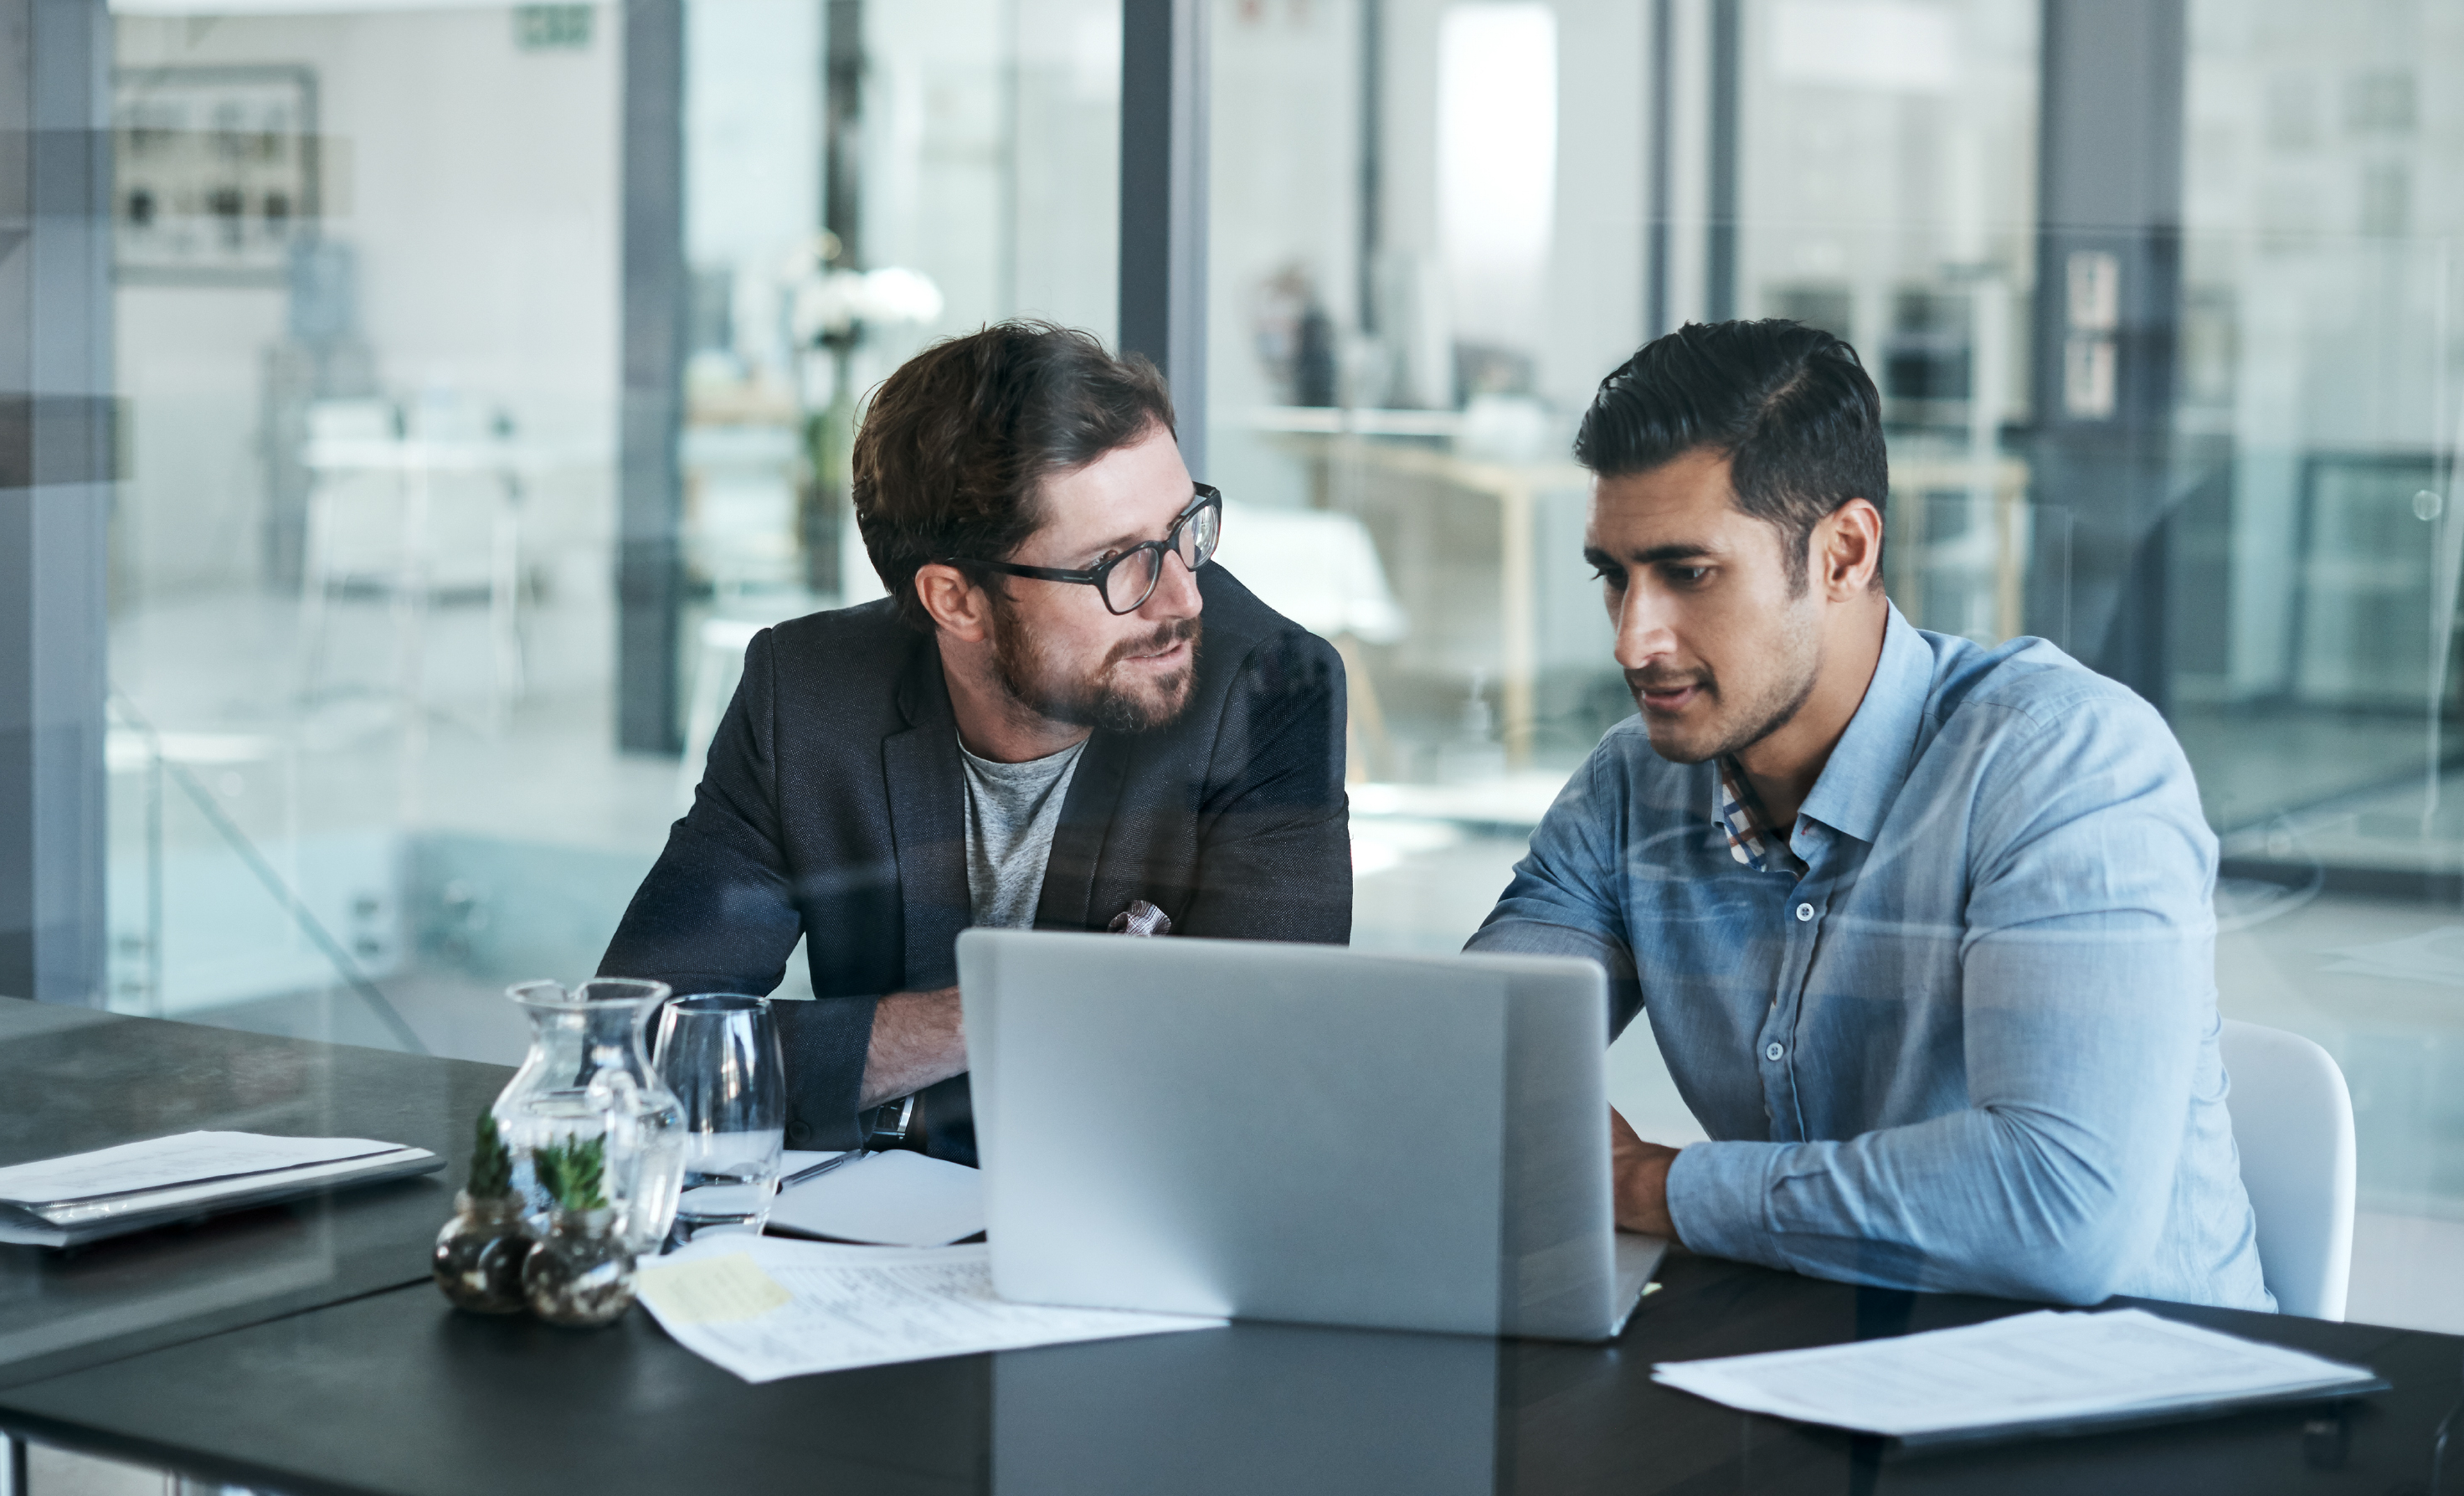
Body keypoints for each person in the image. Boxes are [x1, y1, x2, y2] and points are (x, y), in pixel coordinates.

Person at [1469, 319, 2271, 1309]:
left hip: (2141, 1408)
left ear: (1844, 553)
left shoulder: (2066, 761)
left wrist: (1653, 1185)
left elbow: (2062, 1210)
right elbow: (1474, 1057)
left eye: (1688, 573)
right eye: (1614, 577)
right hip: (1813, 1382)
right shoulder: (1631, 786)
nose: (1636, 639)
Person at [601, 321, 1351, 1165]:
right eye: (1119, 563)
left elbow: (1263, 1074)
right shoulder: (805, 693)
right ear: (954, 601)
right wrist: (1002, 1008)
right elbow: (639, 1043)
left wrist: (895, 1100)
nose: (1183, 596)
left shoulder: (1274, 691)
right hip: (856, 1245)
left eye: (1186, 529)